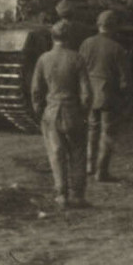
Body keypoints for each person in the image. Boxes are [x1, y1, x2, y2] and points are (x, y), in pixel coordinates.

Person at [31, 20, 93, 209]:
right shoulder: (77, 58)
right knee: (78, 153)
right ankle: (78, 196)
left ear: (52, 37)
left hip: (52, 111)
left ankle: (61, 196)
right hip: (72, 110)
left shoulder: (44, 59)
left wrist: (40, 110)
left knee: (56, 154)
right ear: (69, 38)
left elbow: (35, 90)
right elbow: (87, 93)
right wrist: (83, 112)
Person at [79, 10, 130, 182]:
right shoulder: (117, 49)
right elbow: (125, 82)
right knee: (107, 132)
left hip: (89, 93)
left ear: (98, 24)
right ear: (113, 27)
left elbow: (80, 68)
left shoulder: (86, 43)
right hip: (108, 95)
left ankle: (89, 165)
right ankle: (101, 171)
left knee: (92, 128)